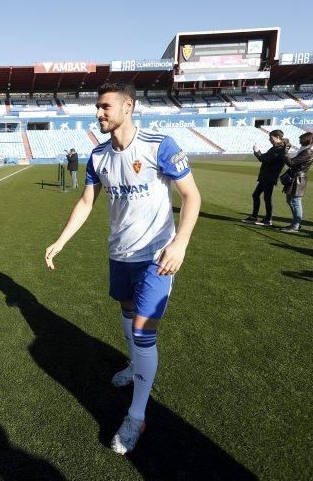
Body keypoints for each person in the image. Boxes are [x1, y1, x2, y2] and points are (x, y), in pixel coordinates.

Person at [44, 82, 201, 455]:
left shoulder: (159, 145)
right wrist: (61, 240)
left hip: (156, 257)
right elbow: (86, 203)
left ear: (128, 107)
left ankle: (136, 415)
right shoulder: (98, 155)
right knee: (128, 317)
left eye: (104, 107)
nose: (97, 113)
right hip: (119, 255)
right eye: (97, 108)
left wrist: (180, 242)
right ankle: (133, 365)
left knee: (145, 332)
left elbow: (191, 196)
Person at [243, 130, 291, 226]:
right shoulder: (276, 148)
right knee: (256, 195)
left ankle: (267, 219)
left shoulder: (280, 149)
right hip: (266, 176)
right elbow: (265, 157)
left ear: (277, 137)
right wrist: (258, 153)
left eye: (271, 137)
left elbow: (265, 158)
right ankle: (254, 217)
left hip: (270, 176)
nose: (269, 139)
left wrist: (257, 152)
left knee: (266, 197)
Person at [280, 132, 313, 233]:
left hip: (298, 179)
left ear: (306, 140)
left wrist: (285, 150)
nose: (299, 141)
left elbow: (291, 163)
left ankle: (296, 225)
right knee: (290, 200)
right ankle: (295, 223)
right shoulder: (305, 150)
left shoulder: (308, 152)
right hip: (295, 178)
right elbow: (293, 162)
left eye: (301, 139)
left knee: (296, 201)